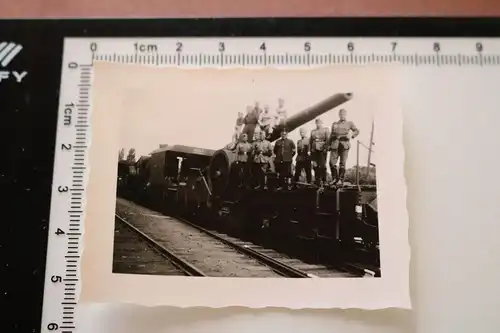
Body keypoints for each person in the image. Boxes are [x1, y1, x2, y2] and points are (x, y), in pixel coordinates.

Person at [329, 108, 359, 184]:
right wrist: (328, 145)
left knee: (342, 163)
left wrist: (351, 134)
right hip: (335, 144)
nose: (342, 116)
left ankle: (340, 180)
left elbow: (357, 131)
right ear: (339, 115)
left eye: (343, 114)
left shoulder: (349, 123)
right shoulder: (334, 124)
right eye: (340, 114)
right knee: (331, 162)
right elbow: (331, 135)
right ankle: (334, 179)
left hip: (344, 144)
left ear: (345, 115)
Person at [309, 118, 330, 186]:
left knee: (322, 166)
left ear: (322, 123)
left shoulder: (325, 130)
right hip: (314, 150)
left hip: (322, 150)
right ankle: (317, 180)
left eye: (320, 123)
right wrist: (309, 150)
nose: (318, 124)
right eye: (317, 123)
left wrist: (325, 148)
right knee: (315, 166)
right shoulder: (313, 131)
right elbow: (310, 141)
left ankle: (324, 180)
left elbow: (328, 140)